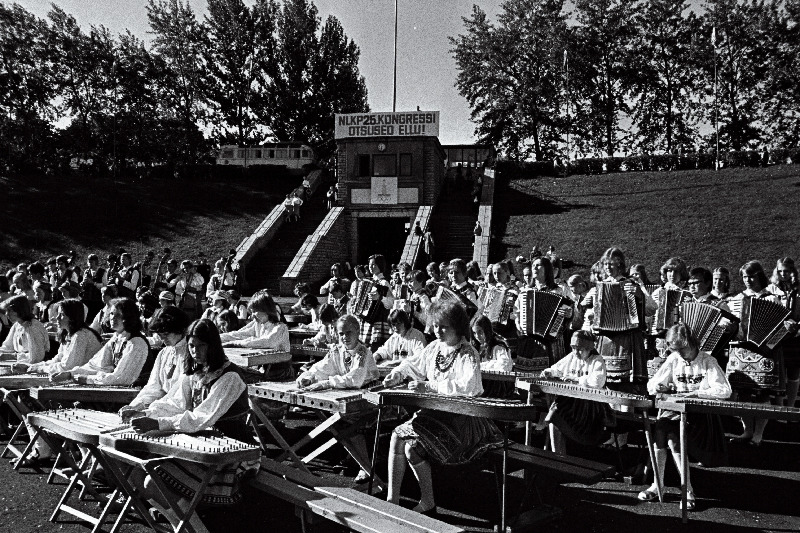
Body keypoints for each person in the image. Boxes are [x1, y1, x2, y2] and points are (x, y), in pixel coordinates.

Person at [128, 319, 259, 528]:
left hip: (234, 452)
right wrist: (143, 411)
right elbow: (174, 403)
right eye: (191, 345)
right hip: (203, 445)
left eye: (201, 345)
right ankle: (181, 525)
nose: (195, 350)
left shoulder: (230, 377)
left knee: (153, 481)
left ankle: (196, 529)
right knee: (136, 475)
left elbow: (200, 417)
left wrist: (158, 423)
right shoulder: (195, 373)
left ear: (213, 345)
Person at [383, 300, 502, 513]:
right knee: (407, 445)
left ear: (457, 326)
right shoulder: (435, 347)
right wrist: (397, 374)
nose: (437, 331)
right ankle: (399, 501)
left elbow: (469, 387)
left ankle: (415, 502)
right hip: (436, 414)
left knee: (403, 440)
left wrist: (429, 386)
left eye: (443, 326)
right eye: (435, 325)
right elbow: (413, 363)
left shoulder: (468, 352)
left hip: (461, 420)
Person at [639, 323, 732, 511]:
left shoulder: (708, 360)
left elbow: (724, 390)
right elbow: (652, 384)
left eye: (682, 348)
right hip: (674, 410)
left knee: (672, 437)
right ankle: (658, 485)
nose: (680, 353)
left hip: (698, 414)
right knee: (660, 434)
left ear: (691, 343)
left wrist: (698, 393)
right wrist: (660, 387)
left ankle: (687, 490)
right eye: (676, 349)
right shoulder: (674, 359)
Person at [726, 261, 798, 445]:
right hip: (743, 349)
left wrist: (787, 328)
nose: (747, 280)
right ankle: (747, 430)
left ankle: (758, 434)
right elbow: (731, 326)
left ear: (759, 276)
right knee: (742, 392)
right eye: (744, 277)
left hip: (765, 351)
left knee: (763, 393)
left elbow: (782, 326)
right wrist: (730, 327)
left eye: (751, 276)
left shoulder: (772, 298)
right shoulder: (736, 300)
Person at [580, 247, 648, 388]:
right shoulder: (599, 287)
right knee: (603, 380)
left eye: (611, 264)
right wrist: (586, 306)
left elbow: (644, 312)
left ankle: (626, 409)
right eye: (605, 264)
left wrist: (639, 296)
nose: (608, 267)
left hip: (626, 337)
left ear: (619, 264)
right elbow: (586, 309)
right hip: (605, 337)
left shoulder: (630, 284)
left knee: (626, 385)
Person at [50, 298, 149, 385]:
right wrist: (70, 374)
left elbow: (121, 378)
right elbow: (96, 365)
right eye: (111, 313)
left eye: (118, 315)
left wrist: (87, 379)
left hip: (134, 394)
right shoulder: (116, 339)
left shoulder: (136, 343)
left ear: (128, 317)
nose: (112, 318)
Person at [541, 330, 609, 455]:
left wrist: (576, 379)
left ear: (589, 348)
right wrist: (550, 372)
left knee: (558, 412)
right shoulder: (572, 356)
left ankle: (568, 453)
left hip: (590, 405)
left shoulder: (597, 360)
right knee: (555, 414)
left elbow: (597, 382)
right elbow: (558, 368)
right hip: (571, 402)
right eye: (574, 348)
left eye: (580, 349)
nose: (576, 352)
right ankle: (559, 455)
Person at [119, 306, 191, 421]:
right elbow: (153, 388)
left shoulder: (191, 354)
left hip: (181, 415)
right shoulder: (164, 353)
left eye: (166, 334)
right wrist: (135, 406)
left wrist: (148, 412)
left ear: (180, 329)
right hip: (162, 410)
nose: (163, 340)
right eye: (160, 335)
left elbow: (180, 399)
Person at [513, 256, 572, 374]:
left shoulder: (559, 290)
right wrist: (518, 324)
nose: (534, 267)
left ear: (547, 270)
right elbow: (516, 313)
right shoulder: (525, 292)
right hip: (529, 340)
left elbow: (570, 312)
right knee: (525, 378)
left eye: (539, 265)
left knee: (548, 378)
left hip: (551, 341)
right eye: (533, 265)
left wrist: (569, 314)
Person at [219, 290, 291, 380]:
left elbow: (267, 342)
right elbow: (238, 334)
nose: (252, 316)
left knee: (236, 375)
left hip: (280, 372)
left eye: (255, 311)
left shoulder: (281, 328)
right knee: (230, 372)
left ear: (266, 310)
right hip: (264, 370)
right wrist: (216, 337)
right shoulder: (257, 324)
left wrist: (236, 343)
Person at [296, 314, 379, 390]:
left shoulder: (364, 353)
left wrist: (326, 384)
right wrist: (309, 377)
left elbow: (355, 378)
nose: (345, 337)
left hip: (368, 392)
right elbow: (324, 368)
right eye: (341, 334)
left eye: (349, 332)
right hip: (348, 389)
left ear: (357, 331)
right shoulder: (337, 351)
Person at [767, 258, 800, 408]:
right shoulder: (772, 289)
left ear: (792, 271)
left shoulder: (798, 288)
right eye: (780, 271)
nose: (783, 274)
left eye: (786, 271)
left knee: (793, 372)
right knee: (778, 372)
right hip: (779, 336)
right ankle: (779, 406)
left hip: (796, 336)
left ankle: (791, 406)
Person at [355, 255, 395, 351]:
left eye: (374, 265)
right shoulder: (367, 281)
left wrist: (380, 298)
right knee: (365, 348)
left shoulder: (384, 282)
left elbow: (391, 302)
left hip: (378, 320)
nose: (371, 267)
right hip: (367, 320)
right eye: (370, 264)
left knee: (375, 348)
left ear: (380, 266)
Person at [0, 295, 49, 364]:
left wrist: (14, 356)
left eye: (10, 311)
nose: (6, 314)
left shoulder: (33, 327)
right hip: (22, 363)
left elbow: (37, 356)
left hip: (37, 366)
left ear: (19, 310)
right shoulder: (17, 325)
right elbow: (7, 347)